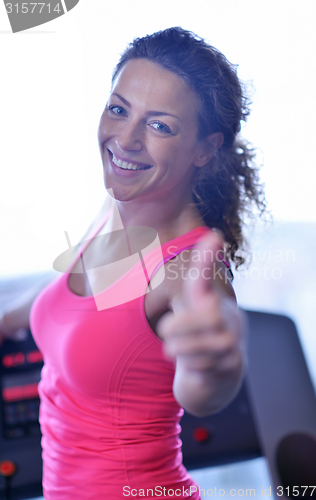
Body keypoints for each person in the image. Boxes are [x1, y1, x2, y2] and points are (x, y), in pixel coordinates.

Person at [0, 27, 265, 499]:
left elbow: (203, 388)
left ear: (205, 149)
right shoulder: (116, 209)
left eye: (160, 125)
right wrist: (7, 318)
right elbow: (64, 287)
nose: (126, 138)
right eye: (119, 109)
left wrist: (216, 365)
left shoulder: (188, 268)